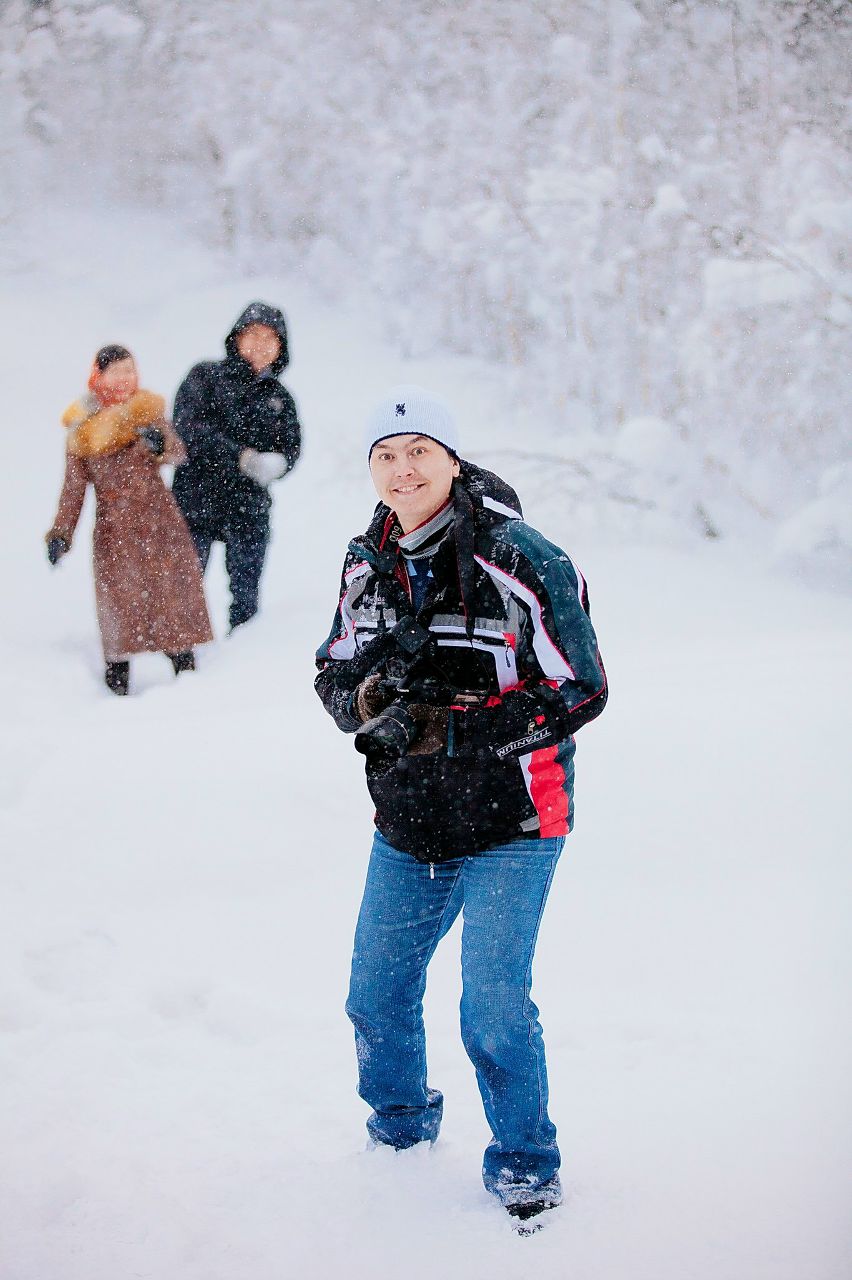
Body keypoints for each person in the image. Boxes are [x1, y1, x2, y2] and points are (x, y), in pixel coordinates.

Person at [315, 386, 608, 1226]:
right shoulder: (365, 560)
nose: (403, 469)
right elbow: (331, 670)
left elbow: (581, 689)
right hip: (408, 823)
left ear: (451, 457)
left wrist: (456, 731)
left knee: (492, 1006)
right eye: (385, 455)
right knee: (375, 996)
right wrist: (368, 701)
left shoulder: (521, 557)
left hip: (516, 819)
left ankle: (524, 1160)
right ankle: (401, 1131)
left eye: (419, 451)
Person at [45, 345, 213, 695]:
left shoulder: (147, 412)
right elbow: (73, 490)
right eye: (117, 371)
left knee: (172, 600)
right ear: (99, 376)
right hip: (114, 529)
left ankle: (190, 681)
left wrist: (159, 445)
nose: (125, 378)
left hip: (160, 523)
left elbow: (178, 452)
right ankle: (116, 686)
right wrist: (61, 533)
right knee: (121, 608)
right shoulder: (83, 431)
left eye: (130, 370)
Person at [171, 301, 302, 632]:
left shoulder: (280, 398)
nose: (260, 344)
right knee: (183, 590)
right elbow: (188, 428)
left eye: (270, 338)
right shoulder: (205, 376)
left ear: (280, 349)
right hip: (195, 499)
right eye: (253, 334)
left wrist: (279, 464)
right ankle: (181, 662)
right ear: (237, 338)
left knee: (246, 599)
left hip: (248, 509)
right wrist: (239, 457)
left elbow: (291, 446)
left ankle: (239, 664)